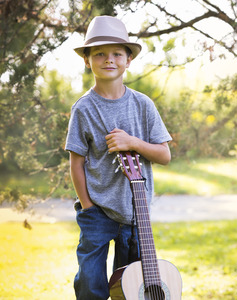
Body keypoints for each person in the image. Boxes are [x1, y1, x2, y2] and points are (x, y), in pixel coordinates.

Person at [65, 16, 172, 300]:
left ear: (128, 60)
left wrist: (133, 142)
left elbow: (164, 154)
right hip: (97, 210)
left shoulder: (143, 104)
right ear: (87, 60)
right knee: (90, 283)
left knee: (134, 287)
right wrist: (88, 207)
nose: (108, 59)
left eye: (116, 53)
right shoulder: (84, 109)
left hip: (137, 213)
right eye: (99, 53)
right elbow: (76, 163)